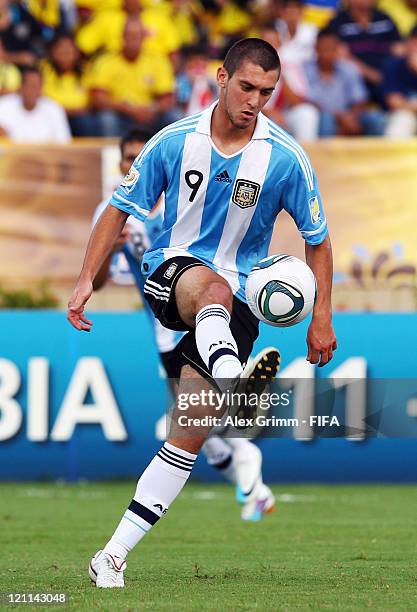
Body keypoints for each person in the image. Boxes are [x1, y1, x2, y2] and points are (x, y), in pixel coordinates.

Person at [67, 38, 336, 588]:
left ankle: (111, 556)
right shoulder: (173, 142)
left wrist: (322, 315)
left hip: (237, 303)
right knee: (210, 287)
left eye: (266, 92)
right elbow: (118, 210)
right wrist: (82, 281)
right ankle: (233, 375)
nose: (254, 100)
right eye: (246, 87)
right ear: (220, 77)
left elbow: (319, 239)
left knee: (188, 433)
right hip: (174, 275)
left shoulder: (285, 158)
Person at [93, 127, 278, 522]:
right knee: (198, 433)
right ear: (124, 164)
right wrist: (109, 249)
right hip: (164, 329)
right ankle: (254, 481)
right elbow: (98, 281)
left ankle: (244, 445)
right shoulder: (119, 212)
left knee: (188, 421)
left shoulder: (193, 199)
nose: (136, 164)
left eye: (140, 156)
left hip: (204, 316)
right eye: (128, 159)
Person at [87, 17, 175, 136]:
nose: (133, 40)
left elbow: (167, 98)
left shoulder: (158, 61)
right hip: (120, 114)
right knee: (107, 119)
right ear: (122, 37)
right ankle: (113, 154)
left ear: (144, 38)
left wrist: (151, 109)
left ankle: (170, 154)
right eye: (129, 36)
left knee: (174, 116)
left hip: (150, 114)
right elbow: (97, 98)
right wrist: (127, 109)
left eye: (137, 36)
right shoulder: (106, 62)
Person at [303, 29, 386, 136]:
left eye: (330, 49)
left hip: (349, 116)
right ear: (316, 48)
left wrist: (351, 117)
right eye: (323, 49)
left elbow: (359, 100)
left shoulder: (349, 68)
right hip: (323, 117)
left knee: (375, 119)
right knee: (326, 120)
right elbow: (309, 102)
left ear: (338, 49)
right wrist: (340, 117)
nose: (326, 53)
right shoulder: (306, 70)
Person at [327, 0, 401, 104]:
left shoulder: (384, 18)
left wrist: (387, 75)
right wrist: (372, 75)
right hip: (355, 81)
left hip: (387, 79)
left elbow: (399, 48)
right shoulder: (338, 22)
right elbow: (340, 56)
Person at [0, 65, 71, 142]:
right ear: (21, 87)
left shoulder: (54, 109)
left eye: (37, 86)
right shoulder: (3, 106)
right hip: (12, 153)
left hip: (47, 153)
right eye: (29, 85)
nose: (33, 91)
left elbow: (64, 142)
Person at [383, 25, 417, 137]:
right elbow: (394, 103)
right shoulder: (394, 65)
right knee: (402, 120)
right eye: (415, 43)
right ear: (408, 43)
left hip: (407, 107)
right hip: (405, 114)